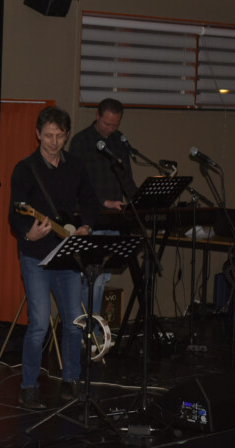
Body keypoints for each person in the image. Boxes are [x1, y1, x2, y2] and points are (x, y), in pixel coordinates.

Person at [9, 106, 99, 409]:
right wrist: (27, 233)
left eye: (60, 136)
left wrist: (87, 224)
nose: (53, 141)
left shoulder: (76, 166)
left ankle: (71, 381)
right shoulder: (25, 169)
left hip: (67, 256)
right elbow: (14, 215)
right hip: (35, 256)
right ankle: (29, 386)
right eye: (48, 135)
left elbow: (90, 200)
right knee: (38, 325)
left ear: (67, 135)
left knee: (74, 323)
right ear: (37, 134)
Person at [68, 98, 136, 319]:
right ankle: (88, 331)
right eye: (107, 124)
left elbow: (127, 181)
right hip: (90, 219)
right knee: (92, 280)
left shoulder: (118, 143)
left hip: (112, 221)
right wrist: (103, 202)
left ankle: (90, 329)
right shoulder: (81, 142)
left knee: (102, 279)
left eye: (115, 125)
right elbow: (76, 186)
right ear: (97, 116)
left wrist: (140, 203)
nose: (110, 129)